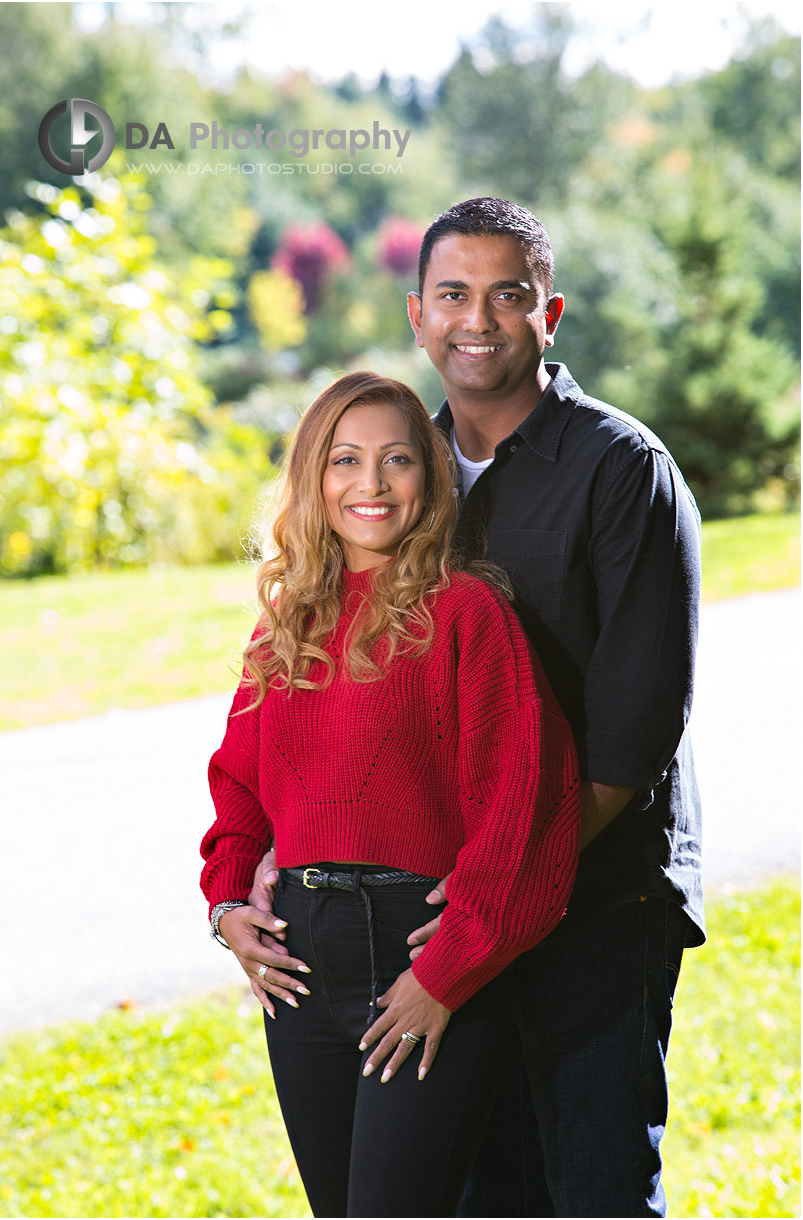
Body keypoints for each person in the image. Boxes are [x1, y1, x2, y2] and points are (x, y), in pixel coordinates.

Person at [250, 199, 704, 1218]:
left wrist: (494, 892)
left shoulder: (624, 469)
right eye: (454, 294)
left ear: (551, 312)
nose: (479, 319)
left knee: (591, 1186)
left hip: (593, 900)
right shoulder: (403, 469)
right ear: (418, 314)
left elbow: (633, 735)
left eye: (508, 295)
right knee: (475, 1191)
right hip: (440, 921)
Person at [200, 371, 582, 1219]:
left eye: (395, 460)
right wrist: (227, 907)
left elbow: (528, 806)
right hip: (298, 961)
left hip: (417, 951)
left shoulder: (468, 612)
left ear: (431, 477)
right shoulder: (288, 621)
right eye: (343, 460)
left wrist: (446, 975)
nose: (369, 484)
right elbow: (239, 790)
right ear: (313, 478)